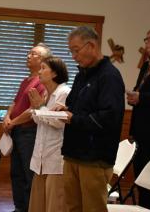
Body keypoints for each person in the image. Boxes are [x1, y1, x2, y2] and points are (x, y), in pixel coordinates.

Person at [58, 26, 125, 212]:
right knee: (72, 207)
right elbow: (75, 107)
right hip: (73, 153)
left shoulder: (110, 76)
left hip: (94, 158)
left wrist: (74, 119)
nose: (73, 56)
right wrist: (65, 110)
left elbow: (109, 118)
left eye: (76, 50)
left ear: (91, 45)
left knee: (92, 209)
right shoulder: (82, 74)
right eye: (71, 51)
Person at [3, 43, 51, 212]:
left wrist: (13, 122)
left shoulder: (42, 82)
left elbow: (34, 110)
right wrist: (7, 117)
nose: (28, 55)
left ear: (44, 60)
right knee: (16, 173)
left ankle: (29, 208)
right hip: (17, 132)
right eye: (29, 53)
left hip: (29, 133)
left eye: (34, 54)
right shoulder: (26, 81)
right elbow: (15, 103)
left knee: (27, 174)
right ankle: (19, 207)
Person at [28, 56, 70, 212]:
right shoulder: (45, 93)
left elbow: (59, 122)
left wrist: (40, 107)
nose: (39, 72)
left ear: (54, 73)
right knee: (37, 206)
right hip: (41, 158)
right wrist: (36, 108)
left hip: (56, 159)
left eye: (43, 68)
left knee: (54, 207)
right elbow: (40, 121)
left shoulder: (64, 92)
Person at [127, 29, 150, 209]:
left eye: (149, 40)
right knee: (140, 178)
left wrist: (141, 97)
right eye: (146, 40)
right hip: (140, 130)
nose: (146, 44)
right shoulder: (145, 65)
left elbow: (144, 95)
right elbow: (139, 90)